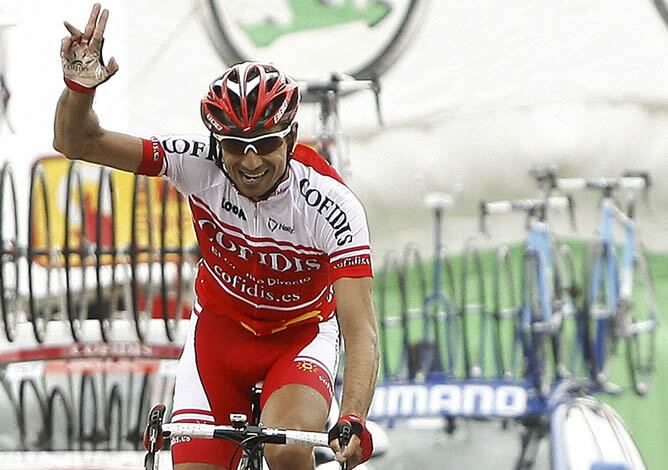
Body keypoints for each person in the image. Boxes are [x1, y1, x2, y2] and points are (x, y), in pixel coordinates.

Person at [55, 4, 378, 470]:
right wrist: (79, 90)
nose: (250, 163)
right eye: (234, 147)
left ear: (291, 137)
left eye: (265, 144)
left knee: (287, 450)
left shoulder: (332, 205)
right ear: (215, 142)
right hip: (220, 338)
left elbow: (361, 329)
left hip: (298, 338)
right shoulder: (195, 163)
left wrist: (354, 418)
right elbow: (76, 142)